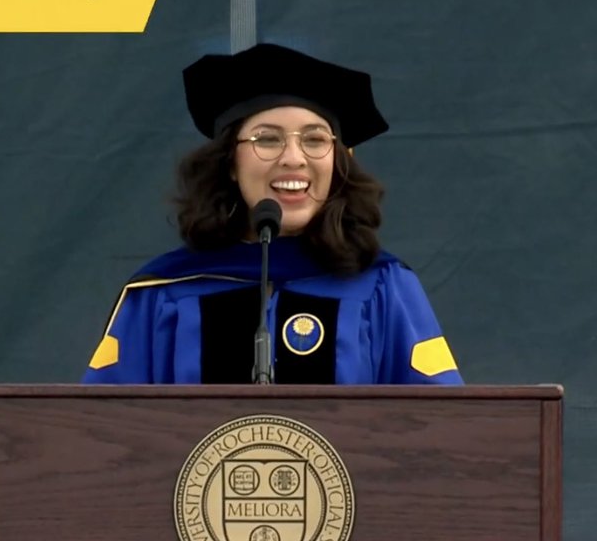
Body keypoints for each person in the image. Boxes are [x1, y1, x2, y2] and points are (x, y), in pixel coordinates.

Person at [82, 43, 462, 385]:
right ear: (230, 161)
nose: (293, 158)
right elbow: (101, 433)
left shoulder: (382, 287)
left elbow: (438, 432)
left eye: (315, 139)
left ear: (337, 161)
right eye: (268, 139)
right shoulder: (162, 292)